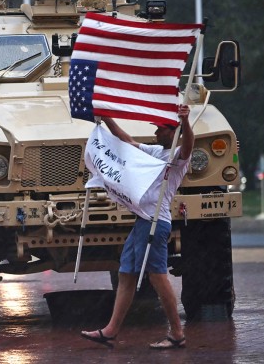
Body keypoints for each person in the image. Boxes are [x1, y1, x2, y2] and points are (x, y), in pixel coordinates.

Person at [80, 104, 194, 350]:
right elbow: (128, 142)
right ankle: (110, 330)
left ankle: (176, 333)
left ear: (174, 132)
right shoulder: (155, 151)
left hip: (156, 222)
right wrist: (108, 119)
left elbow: (188, 146)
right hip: (142, 221)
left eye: (161, 130)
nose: (156, 134)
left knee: (158, 277)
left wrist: (186, 122)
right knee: (126, 275)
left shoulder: (178, 157)